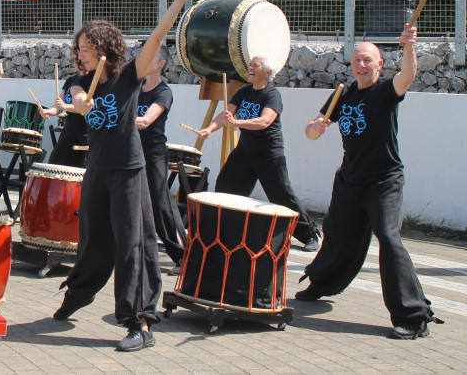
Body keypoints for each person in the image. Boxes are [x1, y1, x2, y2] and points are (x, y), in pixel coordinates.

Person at [53, 0, 201, 353]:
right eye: (80, 48)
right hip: (98, 170)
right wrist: (81, 99)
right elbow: (78, 94)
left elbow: (155, 36)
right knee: (92, 241)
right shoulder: (80, 80)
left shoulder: (129, 77)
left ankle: (140, 322)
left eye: (87, 48)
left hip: (129, 170)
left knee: (133, 246)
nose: (81, 54)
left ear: (104, 47)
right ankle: (79, 293)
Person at [297, 27, 440, 340]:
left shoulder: (387, 90)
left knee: (388, 238)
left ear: (379, 66)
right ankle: (321, 283)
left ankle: (413, 316)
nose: (361, 65)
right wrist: (316, 128)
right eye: (357, 60)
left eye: (368, 60)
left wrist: (408, 46)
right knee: (336, 232)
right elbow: (310, 130)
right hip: (350, 179)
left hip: (384, 180)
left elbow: (409, 74)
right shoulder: (343, 94)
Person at [199, 54, 321, 251]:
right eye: (250, 65)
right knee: (225, 186)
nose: (250, 68)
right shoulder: (243, 92)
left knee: (282, 195)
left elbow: (264, 121)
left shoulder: (272, 95)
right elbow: (226, 114)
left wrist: (237, 123)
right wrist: (210, 128)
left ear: (268, 72)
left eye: (255, 66)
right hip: (245, 151)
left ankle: (308, 235)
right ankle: (224, 233)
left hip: (269, 153)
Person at [135, 48, 187, 272]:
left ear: (161, 64)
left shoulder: (163, 92)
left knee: (160, 203)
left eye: (150, 59)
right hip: (133, 151)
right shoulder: (136, 88)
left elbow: (146, 120)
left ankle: (182, 255)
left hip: (154, 153)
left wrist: (120, 118)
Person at [41, 61, 89, 168]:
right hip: (70, 127)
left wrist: (65, 106)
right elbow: (58, 106)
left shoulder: (93, 81)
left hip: (87, 128)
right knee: (56, 163)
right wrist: (50, 111)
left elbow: (87, 107)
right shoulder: (71, 80)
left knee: (88, 165)